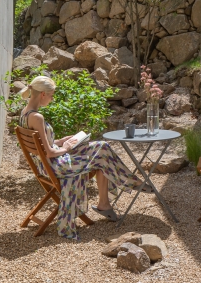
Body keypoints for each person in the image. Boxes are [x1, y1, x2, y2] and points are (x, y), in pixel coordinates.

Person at [18, 75, 144, 239]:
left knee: (101, 148)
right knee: (102, 153)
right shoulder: (37, 117)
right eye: (51, 95)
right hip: (55, 165)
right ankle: (130, 183)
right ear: (43, 94)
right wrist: (66, 147)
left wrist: (62, 141)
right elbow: (50, 153)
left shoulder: (25, 113)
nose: (52, 98)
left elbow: (44, 146)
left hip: (46, 163)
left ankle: (109, 200)